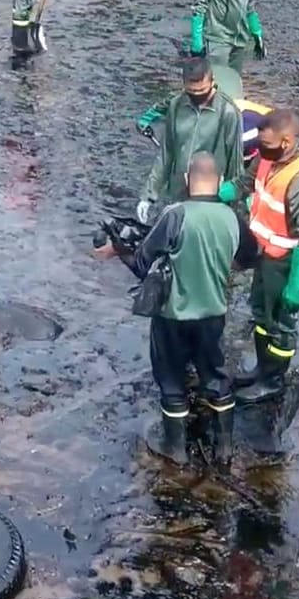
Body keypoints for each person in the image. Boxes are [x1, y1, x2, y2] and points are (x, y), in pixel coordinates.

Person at [99, 149, 240, 468]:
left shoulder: (176, 214)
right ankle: (225, 447)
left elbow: (142, 262)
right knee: (216, 375)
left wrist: (118, 250)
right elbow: (248, 255)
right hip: (214, 313)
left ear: (188, 180)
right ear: (219, 182)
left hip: (173, 316)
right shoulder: (232, 217)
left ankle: (174, 447)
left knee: (172, 379)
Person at [231, 108, 299, 458]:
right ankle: (259, 370)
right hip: (263, 252)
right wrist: (214, 193)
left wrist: (296, 284)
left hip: (284, 262)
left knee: (279, 322)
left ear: (287, 141)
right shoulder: (268, 158)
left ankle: (273, 381)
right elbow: (243, 184)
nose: (261, 148)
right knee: (260, 312)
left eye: (266, 143)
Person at [137, 58, 244, 226]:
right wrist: (149, 195)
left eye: (202, 90)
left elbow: (235, 163)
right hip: (178, 189)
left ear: (212, 81)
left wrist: (234, 206)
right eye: (191, 91)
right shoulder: (176, 105)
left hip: (211, 194)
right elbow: (166, 153)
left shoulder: (228, 112)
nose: (197, 96)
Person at [187, 0, 263, 102]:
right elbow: (199, 6)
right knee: (216, 79)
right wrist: (197, 40)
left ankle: (233, 113)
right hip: (218, 36)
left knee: (234, 81)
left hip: (240, 38)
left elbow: (250, 7)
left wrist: (257, 34)